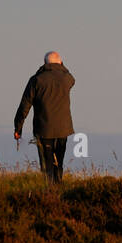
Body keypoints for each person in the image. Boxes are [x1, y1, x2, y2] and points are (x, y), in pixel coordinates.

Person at [14, 51, 76, 183]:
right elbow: (71, 77)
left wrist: (18, 127)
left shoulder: (37, 79)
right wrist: (61, 66)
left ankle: (49, 188)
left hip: (43, 128)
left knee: (46, 162)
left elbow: (25, 105)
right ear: (60, 63)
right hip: (63, 128)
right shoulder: (67, 78)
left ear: (44, 64)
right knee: (59, 161)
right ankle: (58, 185)